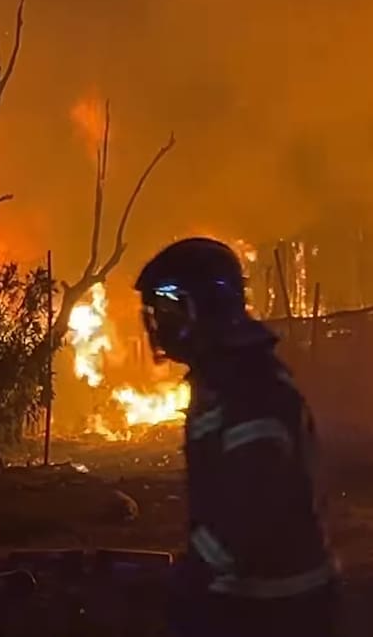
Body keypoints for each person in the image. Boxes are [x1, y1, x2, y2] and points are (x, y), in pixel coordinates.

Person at [134, 237, 338, 637]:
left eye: (169, 308)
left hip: (278, 608)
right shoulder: (222, 380)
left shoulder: (249, 390)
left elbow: (249, 514)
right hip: (255, 598)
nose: (160, 323)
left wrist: (193, 578)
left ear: (203, 307)